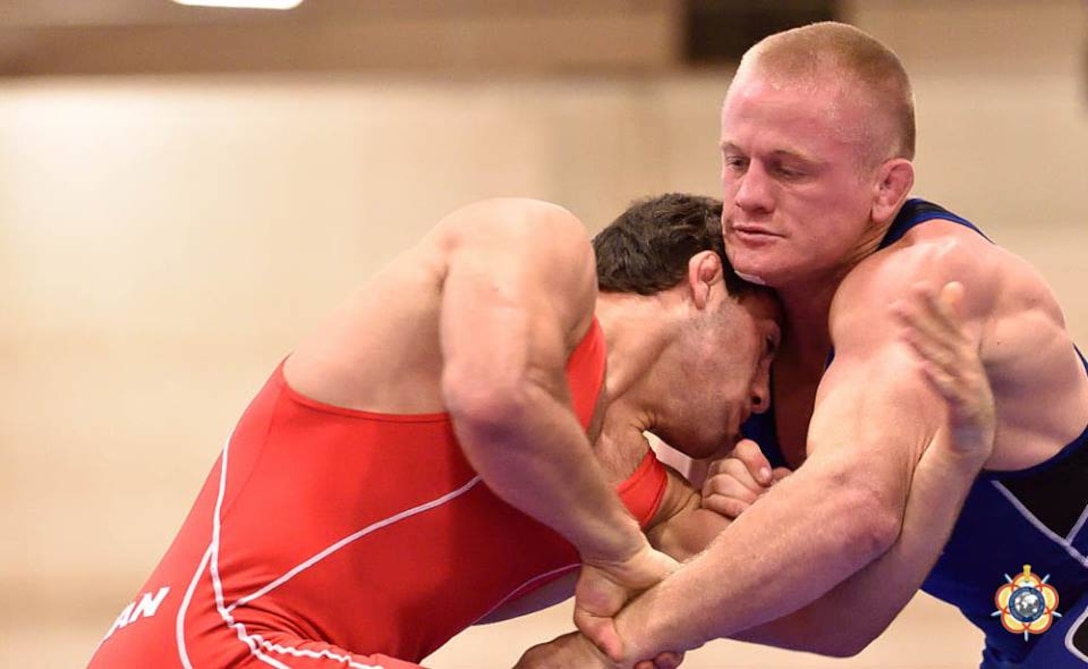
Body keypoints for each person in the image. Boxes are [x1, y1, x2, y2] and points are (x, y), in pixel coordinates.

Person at [548, 21, 1088, 669]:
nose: (747, 197)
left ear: (886, 189)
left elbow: (854, 504)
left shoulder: (925, 277)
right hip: (1025, 623)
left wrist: (622, 636)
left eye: (788, 170)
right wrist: (726, 529)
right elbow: (807, 611)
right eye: (736, 160)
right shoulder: (744, 322)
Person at [85, 192, 782, 668]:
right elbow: (498, 400)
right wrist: (621, 554)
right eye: (769, 345)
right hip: (213, 644)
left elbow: (807, 598)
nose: (761, 392)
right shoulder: (536, 241)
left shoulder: (645, 501)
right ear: (704, 279)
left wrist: (752, 503)